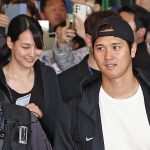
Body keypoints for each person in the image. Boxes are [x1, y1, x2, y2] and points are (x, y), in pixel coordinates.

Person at [53, 16, 150, 150]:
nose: (108, 56)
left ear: (132, 50)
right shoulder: (74, 110)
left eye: (115, 47)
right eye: (100, 48)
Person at [0, 14, 61, 146]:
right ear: (10, 43)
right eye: (26, 47)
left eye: (38, 46)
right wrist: (22, 116)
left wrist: (41, 116)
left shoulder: (47, 75)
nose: (32, 53)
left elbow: (59, 127)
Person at [57, 10, 118, 102]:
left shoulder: (132, 78)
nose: (110, 53)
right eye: (103, 43)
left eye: (116, 46)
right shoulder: (63, 82)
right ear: (88, 40)